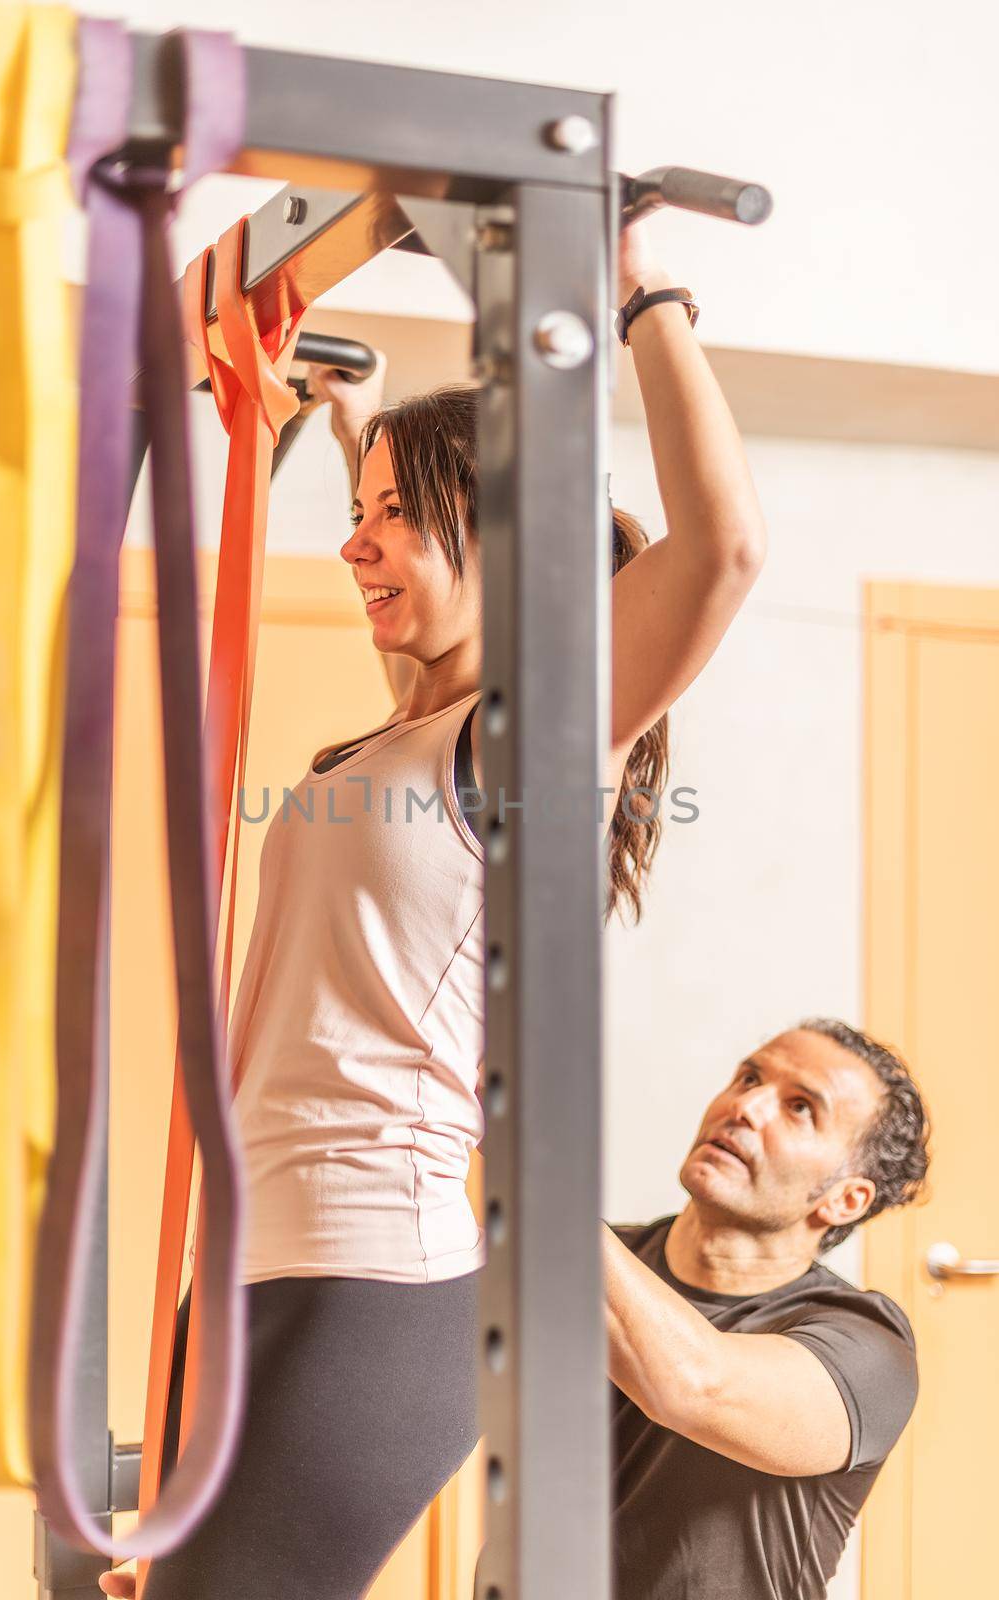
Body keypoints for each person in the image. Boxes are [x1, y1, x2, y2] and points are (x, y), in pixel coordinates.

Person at [100, 214, 767, 1598]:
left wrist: (646, 293)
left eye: (394, 517)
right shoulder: (389, 741)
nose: (357, 548)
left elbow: (721, 550)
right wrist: (355, 427)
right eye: (358, 516)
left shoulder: (528, 741)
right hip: (250, 1260)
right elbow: (429, 578)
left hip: (372, 1283)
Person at [604, 1018, 930, 1600]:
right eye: (748, 1077)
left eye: (800, 1107)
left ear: (845, 1199)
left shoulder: (867, 1348)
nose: (746, 1106)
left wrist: (538, 1181)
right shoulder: (606, 1256)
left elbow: (696, 1385)